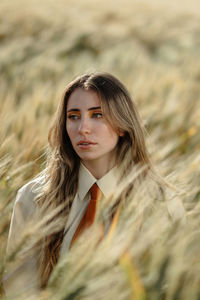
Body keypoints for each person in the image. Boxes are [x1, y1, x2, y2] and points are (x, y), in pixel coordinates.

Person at [3, 72, 185, 298]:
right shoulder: (33, 197)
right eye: (73, 116)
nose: (83, 128)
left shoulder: (161, 201)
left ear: (122, 125)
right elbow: (19, 290)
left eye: (97, 115)